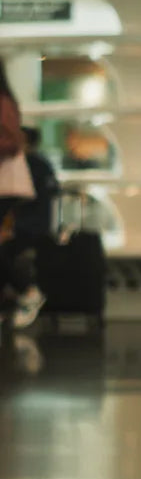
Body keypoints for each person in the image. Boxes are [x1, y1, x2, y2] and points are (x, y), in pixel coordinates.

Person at [0, 67, 43, 329]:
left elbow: (10, 142)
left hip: (5, 184)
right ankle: (17, 295)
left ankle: (26, 290)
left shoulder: (3, 102)